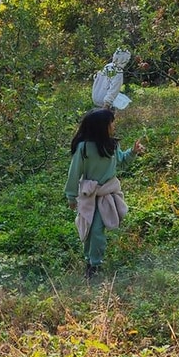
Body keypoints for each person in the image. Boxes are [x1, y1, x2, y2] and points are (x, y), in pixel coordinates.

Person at [64, 108, 145, 279]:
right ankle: (89, 260)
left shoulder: (112, 145)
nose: (114, 125)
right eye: (111, 122)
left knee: (97, 230)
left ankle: (95, 265)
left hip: (106, 195)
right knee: (88, 228)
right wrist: (71, 196)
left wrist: (132, 152)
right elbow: (74, 172)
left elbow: (121, 162)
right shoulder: (84, 148)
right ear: (102, 126)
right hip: (88, 195)